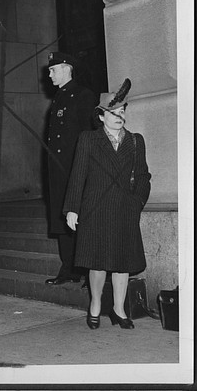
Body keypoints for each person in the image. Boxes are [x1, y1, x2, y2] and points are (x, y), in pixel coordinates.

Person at [63, 80, 151, 329]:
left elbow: (143, 176)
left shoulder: (135, 141)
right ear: (101, 116)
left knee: (123, 263)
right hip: (96, 209)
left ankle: (119, 310)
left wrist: (137, 202)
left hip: (125, 209)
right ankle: (95, 304)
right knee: (97, 263)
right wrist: (72, 208)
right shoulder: (89, 139)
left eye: (122, 112)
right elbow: (78, 175)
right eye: (114, 113)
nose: (119, 117)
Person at [44, 52, 97, 286]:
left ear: (66, 68)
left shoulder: (83, 95)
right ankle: (69, 268)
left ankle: (87, 269)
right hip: (59, 170)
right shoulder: (59, 97)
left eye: (53, 69)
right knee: (62, 219)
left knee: (80, 218)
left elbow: (89, 133)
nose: (49, 74)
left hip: (76, 168)